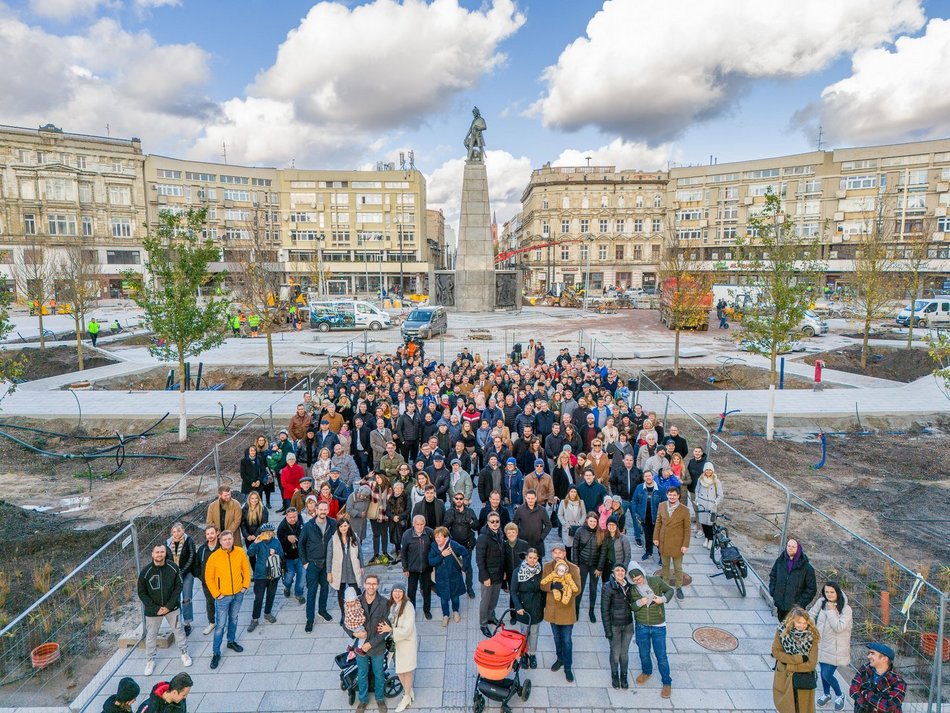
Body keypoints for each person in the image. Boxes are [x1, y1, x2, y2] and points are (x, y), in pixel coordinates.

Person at [137, 544, 192, 676]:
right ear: (152, 554)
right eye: (157, 552)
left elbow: (178, 587)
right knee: (151, 636)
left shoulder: (173, 568)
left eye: (162, 552)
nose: (159, 554)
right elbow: (141, 592)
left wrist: (168, 606)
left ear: (165, 553)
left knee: (178, 630)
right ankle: (150, 660)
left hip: (172, 608)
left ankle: (184, 653)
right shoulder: (145, 572)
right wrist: (155, 608)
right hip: (153, 611)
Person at [204, 529, 251, 670]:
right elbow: (209, 578)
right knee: (220, 626)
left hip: (238, 593)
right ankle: (216, 652)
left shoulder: (240, 552)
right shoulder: (214, 557)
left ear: (233, 539)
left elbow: (246, 569)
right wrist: (217, 594)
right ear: (220, 541)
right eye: (225, 540)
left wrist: (245, 586)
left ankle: (231, 641)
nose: (228, 541)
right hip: (223, 597)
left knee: (234, 619)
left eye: (230, 539)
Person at [629, 562, 674, 699]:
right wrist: (639, 603)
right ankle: (646, 671)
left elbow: (670, 590)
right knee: (643, 653)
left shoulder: (655, 581)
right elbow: (631, 606)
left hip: (658, 625)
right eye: (635, 580)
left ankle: (667, 682)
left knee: (661, 656)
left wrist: (663, 599)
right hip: (642, 625)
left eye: (640, 578)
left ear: (643, 574)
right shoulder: (632, 589)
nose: (639, 581)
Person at [540, 543, 581, 682]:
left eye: (560, 552)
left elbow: (578, 589)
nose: (557, 555)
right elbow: (542, 584)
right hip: (552, 609)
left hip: (567, 609)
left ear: (565, 554)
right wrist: (551, 586)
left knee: (567, 640)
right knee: (556, 638)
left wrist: (566, 590)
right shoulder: (547, 567)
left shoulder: (573, 569)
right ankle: (560, 658)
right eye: (555, 552)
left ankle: (568, 667)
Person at [809, 582, 853, 711]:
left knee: (827, 674)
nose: (829, 594)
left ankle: (840, 695)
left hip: (835, 648)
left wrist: (831, 610)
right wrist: (812, 629)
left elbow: (839, 627)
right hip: (821, 645)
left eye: (832, 592)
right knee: (823, 673)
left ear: (837, 592)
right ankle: (827, 694)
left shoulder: (846, 609)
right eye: (827, 592)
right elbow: (811, 614)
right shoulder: (821, 601)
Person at [351, 574, 390, 713]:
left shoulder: (385, 603)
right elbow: (346, 621)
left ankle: (380, 699)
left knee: (379, 673)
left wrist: (371, 644)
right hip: (359, 646)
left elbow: (386, 628)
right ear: (364, 585)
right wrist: (354, 634)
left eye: (374, 584)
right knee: (362, 673)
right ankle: (363, 700)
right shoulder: (355, 601)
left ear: (378, 585)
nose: (371, 586)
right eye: (369, 583)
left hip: (377, 646)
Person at [771, 607, 820, 713]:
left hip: (803, 680)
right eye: (799, 622)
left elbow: (811, 664)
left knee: (802, 708)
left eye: (804, 623)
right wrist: (798, 659)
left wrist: (790, 666)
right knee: (786, 707)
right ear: (792, 620)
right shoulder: (782, 632)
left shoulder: (812, 636)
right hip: (784, 677)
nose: (802, 626)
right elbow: (776, 652)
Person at [299, 500, 337, 631]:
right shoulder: (308, 526)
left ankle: (322, 610)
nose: (323, 512)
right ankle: (310, 618)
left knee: (325, 588)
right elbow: (301, 544)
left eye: (325, 509)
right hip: (313, 564)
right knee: (312, 592)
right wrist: (305, 563)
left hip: (326, 563)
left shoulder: (333, 523)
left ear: (328, 510)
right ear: (316, 510)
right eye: (320, 509)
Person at [378, 584, 417, 713]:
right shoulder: (393, 605)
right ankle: (408, 690)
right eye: (395, 591)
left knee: (406, 670)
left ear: (404, 593)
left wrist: (391, 630)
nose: (397, 593)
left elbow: (407, 629)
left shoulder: (408, 607)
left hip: (406, 643)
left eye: (400, 591)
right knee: (400, 670)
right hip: (396, 643)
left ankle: (406, 696)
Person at [601, 563, 634, 689]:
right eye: (617, 570)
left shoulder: (629, 585)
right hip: (615, 625)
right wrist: (607, 630)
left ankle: (624, 676)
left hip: (628, 624)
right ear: (613, 573)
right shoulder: (608, 587)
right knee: (615, 653)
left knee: (624, 653)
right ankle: (614, 675)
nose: (620, 572)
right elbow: (604, 610)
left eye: (622, 570)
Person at [509, 547, 544, 669]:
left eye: (535, 558)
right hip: (523, 607)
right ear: (526, 557)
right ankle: (524, 654)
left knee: (534, 632)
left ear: (538, 558)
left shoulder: (540, 570)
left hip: (537, 605)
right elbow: (513, 591)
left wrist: (544, 604)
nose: (532, 560)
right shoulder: (518, 571)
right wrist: (518, 606)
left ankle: (532, 654)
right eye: (530, 558)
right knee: (524, 633)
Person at [428, 526, 469, 626]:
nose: (437, 539)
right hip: (441, 577)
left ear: (445, 537)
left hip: (454, 576)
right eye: (436, 537)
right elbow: (431, 561)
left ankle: (456, 612)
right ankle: (445, 615)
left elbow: (465, 553)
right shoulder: (434, 546)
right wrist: (442, 555)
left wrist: (464, 567)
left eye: (440, 537)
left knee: (455, 597)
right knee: (443, 599)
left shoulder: (452, 544)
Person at [654, 487, 690, 600]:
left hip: (677, 543)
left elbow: (687, 529)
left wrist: (685, 545)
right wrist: (656, 537)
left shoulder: (684, 510)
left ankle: (679, 587)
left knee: (678, 567)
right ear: (667, 495)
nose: (672, 497)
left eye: (674, 495)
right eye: (670, 495)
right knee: (665, 565)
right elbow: (658, 522)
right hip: (664, 540)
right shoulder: (662, 505)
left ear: (678, 496)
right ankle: (665, 585)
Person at [246, 522, 284, 632]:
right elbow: (250, 554)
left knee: (271, 595)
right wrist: (254, 543)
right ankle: (254, 619)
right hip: (260, 575)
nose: (268, 534)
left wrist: (275, 552)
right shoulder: (259, 542)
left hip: (273, 574)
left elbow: (281, 554)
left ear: (273, 533)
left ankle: (267, 613)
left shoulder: (276, 542)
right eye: (265, 533)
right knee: (258, 598)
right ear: (262, 533)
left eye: (270, 532)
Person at [769, 537, 818, 622]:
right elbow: (773, 575)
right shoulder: (780, 561)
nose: (790, 548)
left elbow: (811, 589)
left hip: (795, 609)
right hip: (780, 604)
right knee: (782, 626)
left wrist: (800, 604)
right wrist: (773, 591)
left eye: (793, 547)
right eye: (788, 546)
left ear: (798, 549)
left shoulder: (807, 568)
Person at [849, 642, 906, 713]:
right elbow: (853, 690)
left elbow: (888, 707)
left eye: (872, 653)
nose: (868, 656)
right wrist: (868, 704)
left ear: (884, 659)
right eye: (869, 653)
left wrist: (865, 693)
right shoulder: (865, 669)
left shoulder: (898, 682)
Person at [328, 516, 364, 621]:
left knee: (357, 591)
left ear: (348, 526)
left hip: (352, 568)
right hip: (339, 570)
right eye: (341, 526)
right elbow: (329, 556)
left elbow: (360, 553)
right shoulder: (333, 539)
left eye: (345, 526)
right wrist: (329, 572)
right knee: (341, 593)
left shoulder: (354, 537)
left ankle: (359, 612)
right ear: (338, 528)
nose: (344, 528)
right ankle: (344, 615)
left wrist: (361, 566)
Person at [475, 510, 505, 636]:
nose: (495, 524)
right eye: (492, 521)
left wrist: (503, 571)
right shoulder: (483, 538)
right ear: (488, 523)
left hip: (498, 573)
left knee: (494, 599)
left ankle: (491, 616)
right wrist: (485, 576)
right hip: (488, 575)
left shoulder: (500, 533)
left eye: (497, 521)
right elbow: (479, 559)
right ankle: (483, 624)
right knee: (485, 601)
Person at [444, 491, 478, 598]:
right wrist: (449, 521)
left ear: (464, 500)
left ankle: (469, 588)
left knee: (468, 567)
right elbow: (444, 527)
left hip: (466, 543)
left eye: (461, 498)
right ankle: (455, 587)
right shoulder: (450, 512)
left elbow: (476, 526)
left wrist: (471, 522)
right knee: (454, 567)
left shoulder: (469, 511)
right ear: (454, 499)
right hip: (454, 544)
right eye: (457, 498)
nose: (459, 500)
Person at [400, 515, 434, 620]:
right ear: (413, 524)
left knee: (427, 590)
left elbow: (434, 548)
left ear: (424, 524)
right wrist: (405, 568)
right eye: (417, 524)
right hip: (412, 569)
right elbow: (403, 553)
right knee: (411, 592)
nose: (419, 526)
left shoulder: (429, 533)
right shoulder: (407, 535)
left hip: (426, 568)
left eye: (421, 524)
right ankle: (412, 610)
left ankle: (426, 610)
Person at [165, 522, 196, 636]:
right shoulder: (168, 543)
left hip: (187, 573)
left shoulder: (189, 541)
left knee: (186, 598)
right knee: (175, 599)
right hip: (173, 575)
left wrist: (182, 572)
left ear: (183, 530)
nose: (176, 533)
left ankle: (187, 623)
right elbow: (167, 559)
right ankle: (177, 623)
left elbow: (192, 556)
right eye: (174, 531)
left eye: (178, 530)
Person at [572, 512, 603, 622]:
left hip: (594, 565)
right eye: (591, 521)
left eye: (595, 521)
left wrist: (599, 567)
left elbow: (602, 552)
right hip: (583, 563)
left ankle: (591, 610)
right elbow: (575, 548)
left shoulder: (600, 533)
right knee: (580, 588)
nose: (593, 523)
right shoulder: (580, 531)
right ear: (587, 521)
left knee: (593, 589)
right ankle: (576, 609)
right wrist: (576, 565)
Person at [277, 507, 306, 605]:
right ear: (286, 516)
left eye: (295, 517)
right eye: (290, 517)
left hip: (300, 556)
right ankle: (287, 586)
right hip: (288, 557)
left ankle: (299, 593)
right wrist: (286, 538)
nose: (293, 519)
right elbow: (279, 543)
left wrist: (295, 537)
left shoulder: (301, 519)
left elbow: (304, 534)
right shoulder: (281, 527)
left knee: (302, 576)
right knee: (289, 577)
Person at [512, 489, 551, 555]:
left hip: (537, 543)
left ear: (536, 498)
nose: (530, 500)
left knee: (538, 563)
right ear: (525, 498)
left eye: (532, 498)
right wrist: (518, 536)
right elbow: (514, 525)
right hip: (523, 542)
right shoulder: (520, 510)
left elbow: (549, 525)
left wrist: (541, 537)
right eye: (529, 498)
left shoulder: (542, 510)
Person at [694, 462, 723, 548]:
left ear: (712, 471)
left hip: (711, 505)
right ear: (704, 470)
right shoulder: (700, 480)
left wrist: (716, 502)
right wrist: (697, 499)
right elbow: (697, 490)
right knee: (703, 523)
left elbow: (720, 495)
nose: (708, 471)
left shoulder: (716, 481)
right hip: (702, 504)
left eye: (710, 470)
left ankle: (710, 540)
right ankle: (706, 538)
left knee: (710, 524)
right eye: (707, 469)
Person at [557, 485, 586, 560]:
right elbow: (560, 514)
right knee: (568, 549)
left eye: (575, 492)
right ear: (568, 492)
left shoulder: (581, 502)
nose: (573, 493)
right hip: (567, 528)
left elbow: (584, 514)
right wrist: (565, 524)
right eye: (571, 492)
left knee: (577, 548)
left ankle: (576, 565)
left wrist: (580, 524)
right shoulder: (563, 502)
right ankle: (568, 563)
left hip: (577, 528)